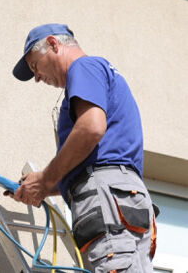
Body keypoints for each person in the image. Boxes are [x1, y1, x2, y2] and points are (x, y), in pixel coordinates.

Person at [10, 23, 157, 272]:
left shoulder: (84, 67)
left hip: (107, 197)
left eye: (35, 66)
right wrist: (43, 187)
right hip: (121, 197)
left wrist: (45, 179)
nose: (36, 78)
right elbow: (98, 161)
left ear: (53, 44)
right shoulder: (102, 73)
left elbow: (90, 128)